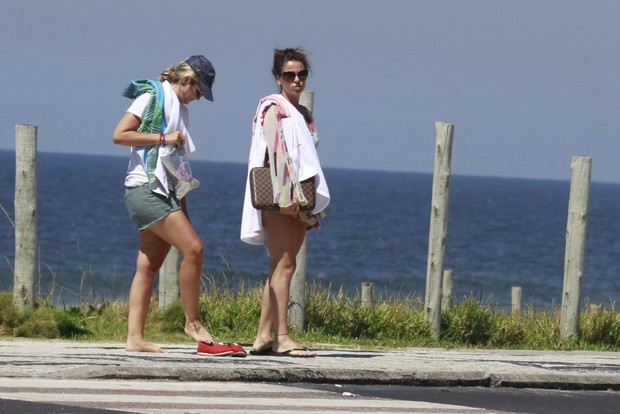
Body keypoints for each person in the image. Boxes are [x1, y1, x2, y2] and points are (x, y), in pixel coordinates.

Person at [113, 55, 234, 355]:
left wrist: (183, 210)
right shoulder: (152, 95)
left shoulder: (179, 109)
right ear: (188, 82)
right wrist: (162, 137)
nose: (198, 98)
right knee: (194, 248)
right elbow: (120, 135)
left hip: (164, 192)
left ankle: (135, 338)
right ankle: (192, 322)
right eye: (198, 91)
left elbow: (176, 167)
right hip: (144, 189)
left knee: (148, 266)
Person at [240, 47, 330, 357]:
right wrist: (286, 196)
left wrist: (307, 201)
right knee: (285, 264)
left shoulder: (303, 113)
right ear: (278, 78)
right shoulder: (272, 107)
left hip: (299, 195)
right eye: (289, 74)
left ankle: (264, 335)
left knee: (282, 267)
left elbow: (304, 157)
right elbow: (274, 150)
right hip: (281, 196)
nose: (296, 79)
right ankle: (281, 337)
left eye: (301, 74)